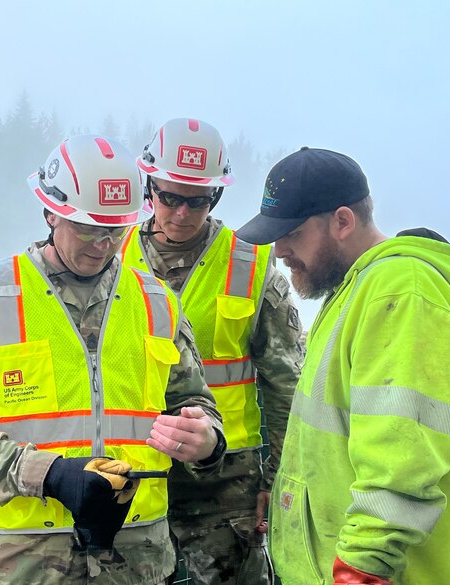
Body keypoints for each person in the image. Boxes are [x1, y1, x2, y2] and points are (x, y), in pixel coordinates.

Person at [0, 134, 227, 585]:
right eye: (88, 227)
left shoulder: (157, 301)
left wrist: (206, 442)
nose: (102, 244)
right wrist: (50, 475)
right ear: (50, 212)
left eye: (115, 229)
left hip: (136, 558)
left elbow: (195, 403)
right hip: (18, 560)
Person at [235, 147, 450, 585]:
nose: (279, 252)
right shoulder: (354, 291)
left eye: (292, 233)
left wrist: (360, 572)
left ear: (343, 221)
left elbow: (400, 464)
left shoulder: (401, 294)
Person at [120, 118, 302, 585]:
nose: (181, 213)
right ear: (149, 188)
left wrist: (273, 480)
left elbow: (286, 385)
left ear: (215, 197)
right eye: (169, 197)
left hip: (228, 479)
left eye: (197, 201)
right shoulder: (111, 258)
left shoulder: (253, 267)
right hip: (133, 470)